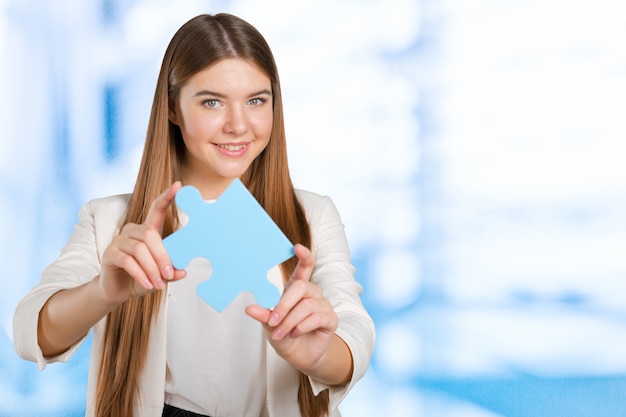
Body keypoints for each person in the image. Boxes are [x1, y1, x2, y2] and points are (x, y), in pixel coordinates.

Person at [13, 12, 375, 417]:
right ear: (172, 108)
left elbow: (353, 328)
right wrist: (102, 293)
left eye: (256, 100)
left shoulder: (311, 215)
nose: (238, 125)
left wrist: (319, 355)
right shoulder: (112, 222)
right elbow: (32, 333)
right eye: (212, 102)